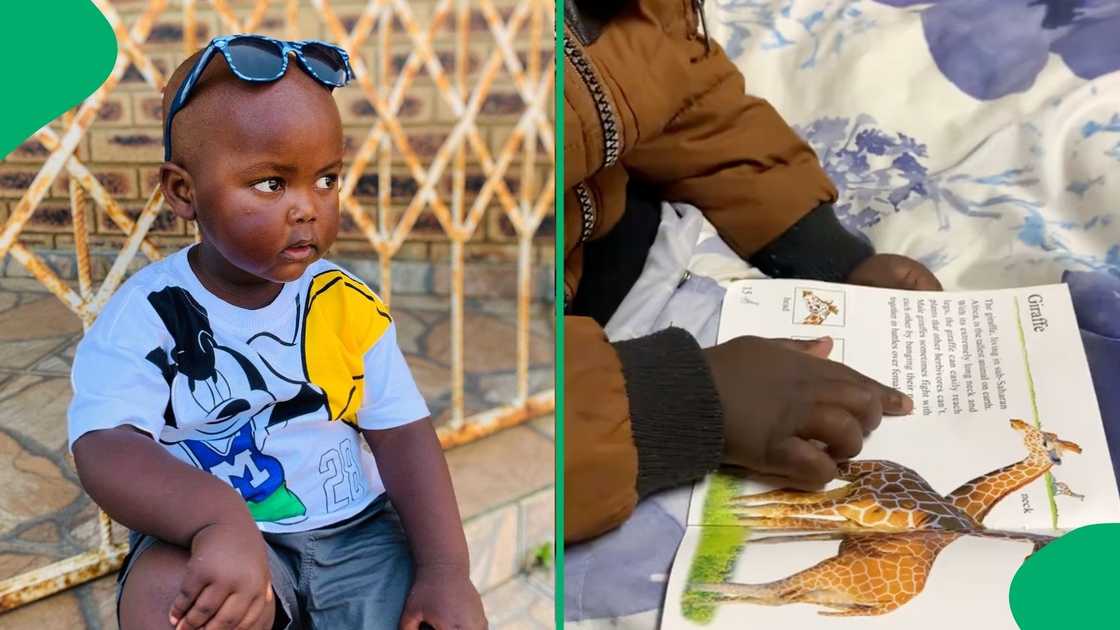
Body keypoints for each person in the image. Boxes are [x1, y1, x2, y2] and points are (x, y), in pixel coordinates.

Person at [67, 35, 486, 630]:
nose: (307, 207)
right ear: (183, 191)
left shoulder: (343, 303)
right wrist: (215, 519)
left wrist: (447, 570)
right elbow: (104, 446)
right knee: (170, 600)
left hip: (357, 533)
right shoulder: (147, 314)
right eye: (271, 183)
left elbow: (404, 435)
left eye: (327, 179)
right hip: (216, 540)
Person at [563, 0, 943, 545]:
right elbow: (420, 400)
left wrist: (828, 254)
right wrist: (660, 403)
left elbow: (678, 86)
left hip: (627, 270)